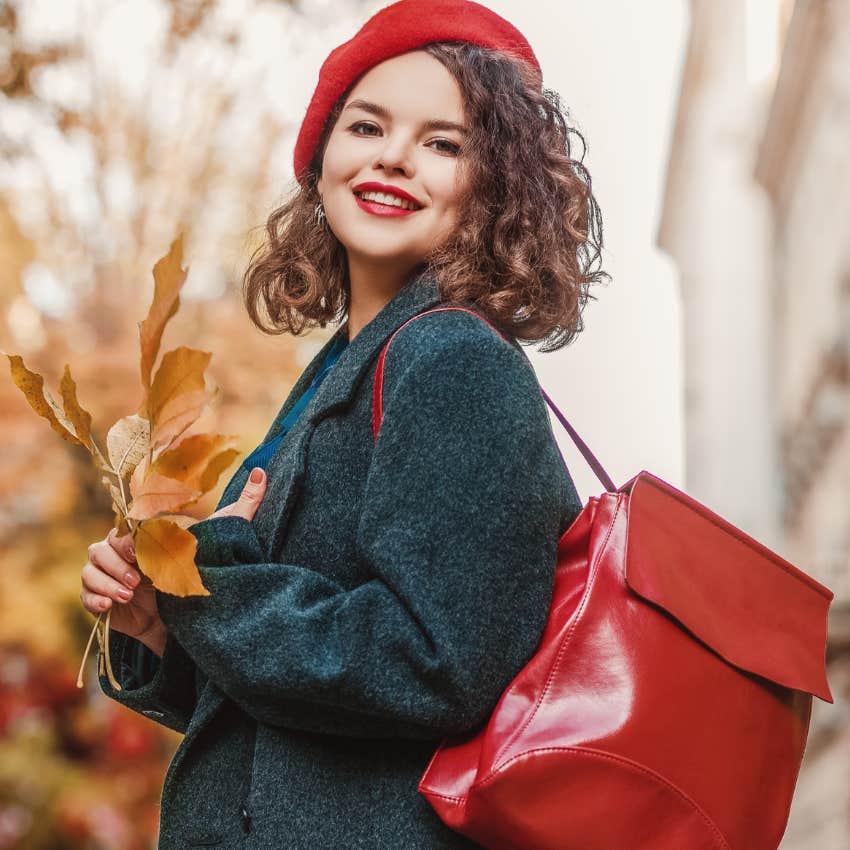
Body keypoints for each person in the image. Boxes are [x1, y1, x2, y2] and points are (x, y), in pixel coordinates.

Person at [79, 0, 607, 846]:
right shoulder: (344, 369)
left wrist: (207, 586)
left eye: (445, 143)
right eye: (368, 126)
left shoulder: (452, 362)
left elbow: (435, 663)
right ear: (322, 158)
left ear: (494, 187)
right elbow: (289, 732)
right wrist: (159, 623)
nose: (394, 156)